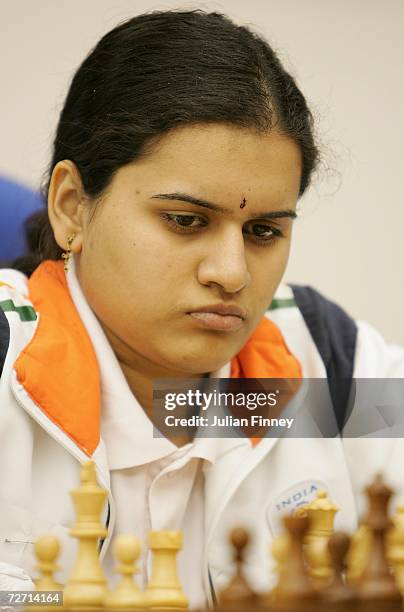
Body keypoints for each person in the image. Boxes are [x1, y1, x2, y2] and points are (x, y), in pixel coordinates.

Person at [0, 9, 403, 608]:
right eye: (186, 221)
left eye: (264, 231)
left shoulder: (336, 365)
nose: (232, 273)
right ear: (72, 207)